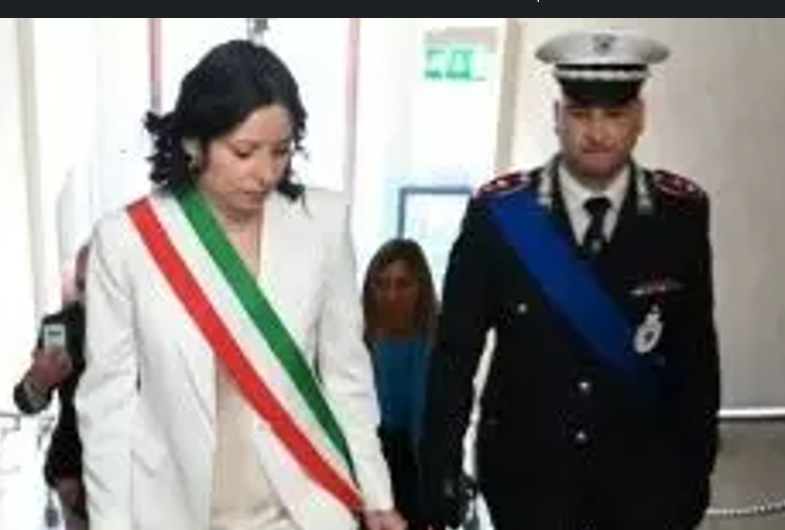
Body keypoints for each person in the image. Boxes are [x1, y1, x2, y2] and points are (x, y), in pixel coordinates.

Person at [75, 40, 405, 530]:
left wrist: (377, 496)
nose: (266, 173)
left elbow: (347, 374)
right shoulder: (128, 241)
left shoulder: (323, 223)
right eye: (244, 152)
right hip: (177, 511)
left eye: (281, 151)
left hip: (302, 510)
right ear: (194, 143)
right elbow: (107, 406)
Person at [420, 29, 721, 530]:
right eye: (581, 113)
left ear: (640, 117)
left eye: (614, 114)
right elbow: (454, 355)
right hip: (528, 484)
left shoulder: (680, 216)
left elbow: (696, 360)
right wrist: (440, 466)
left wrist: (695, 475)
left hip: (645, 487)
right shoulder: (499, 217)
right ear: (557, 116)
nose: (597, 133)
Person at [362, 238, 438, 530]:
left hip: (418, 465)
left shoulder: (437, 342)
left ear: (421, 288)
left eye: (403, 284)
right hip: (369, 460)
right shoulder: (356, 337)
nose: (391, 295)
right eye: (381, 284)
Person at [14, 244, 89, 530]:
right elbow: (26, 401)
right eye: (82, 284)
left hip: (142, 475)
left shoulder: (144, 322)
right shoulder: (61, 326)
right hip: (76, 477)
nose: (88, 293)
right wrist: (39, 382)